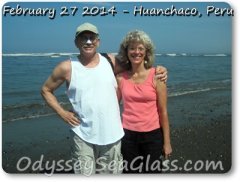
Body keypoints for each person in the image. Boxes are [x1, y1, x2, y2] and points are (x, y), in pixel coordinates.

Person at [41, 22, 168, 175]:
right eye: (83, 38)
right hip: (83, 135)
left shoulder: (110, 61)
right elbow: (46, 90)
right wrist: (62, 113)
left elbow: (136, 66)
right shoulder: (67, 67)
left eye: (92, 38)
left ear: (98, 41)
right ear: (76, 42)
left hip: (113, 136)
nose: (88, 42)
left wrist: (160, 70)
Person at [116, 30, 172, 173]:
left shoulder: (157, 76)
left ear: (147, 52)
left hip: (152, 135)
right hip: (127, 135)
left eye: (141, 48)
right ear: (126, 51)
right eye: (132, 48)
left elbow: (163, 111)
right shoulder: (120, 78)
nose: (136, 52)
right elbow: (112, 106)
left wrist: (167, 143)